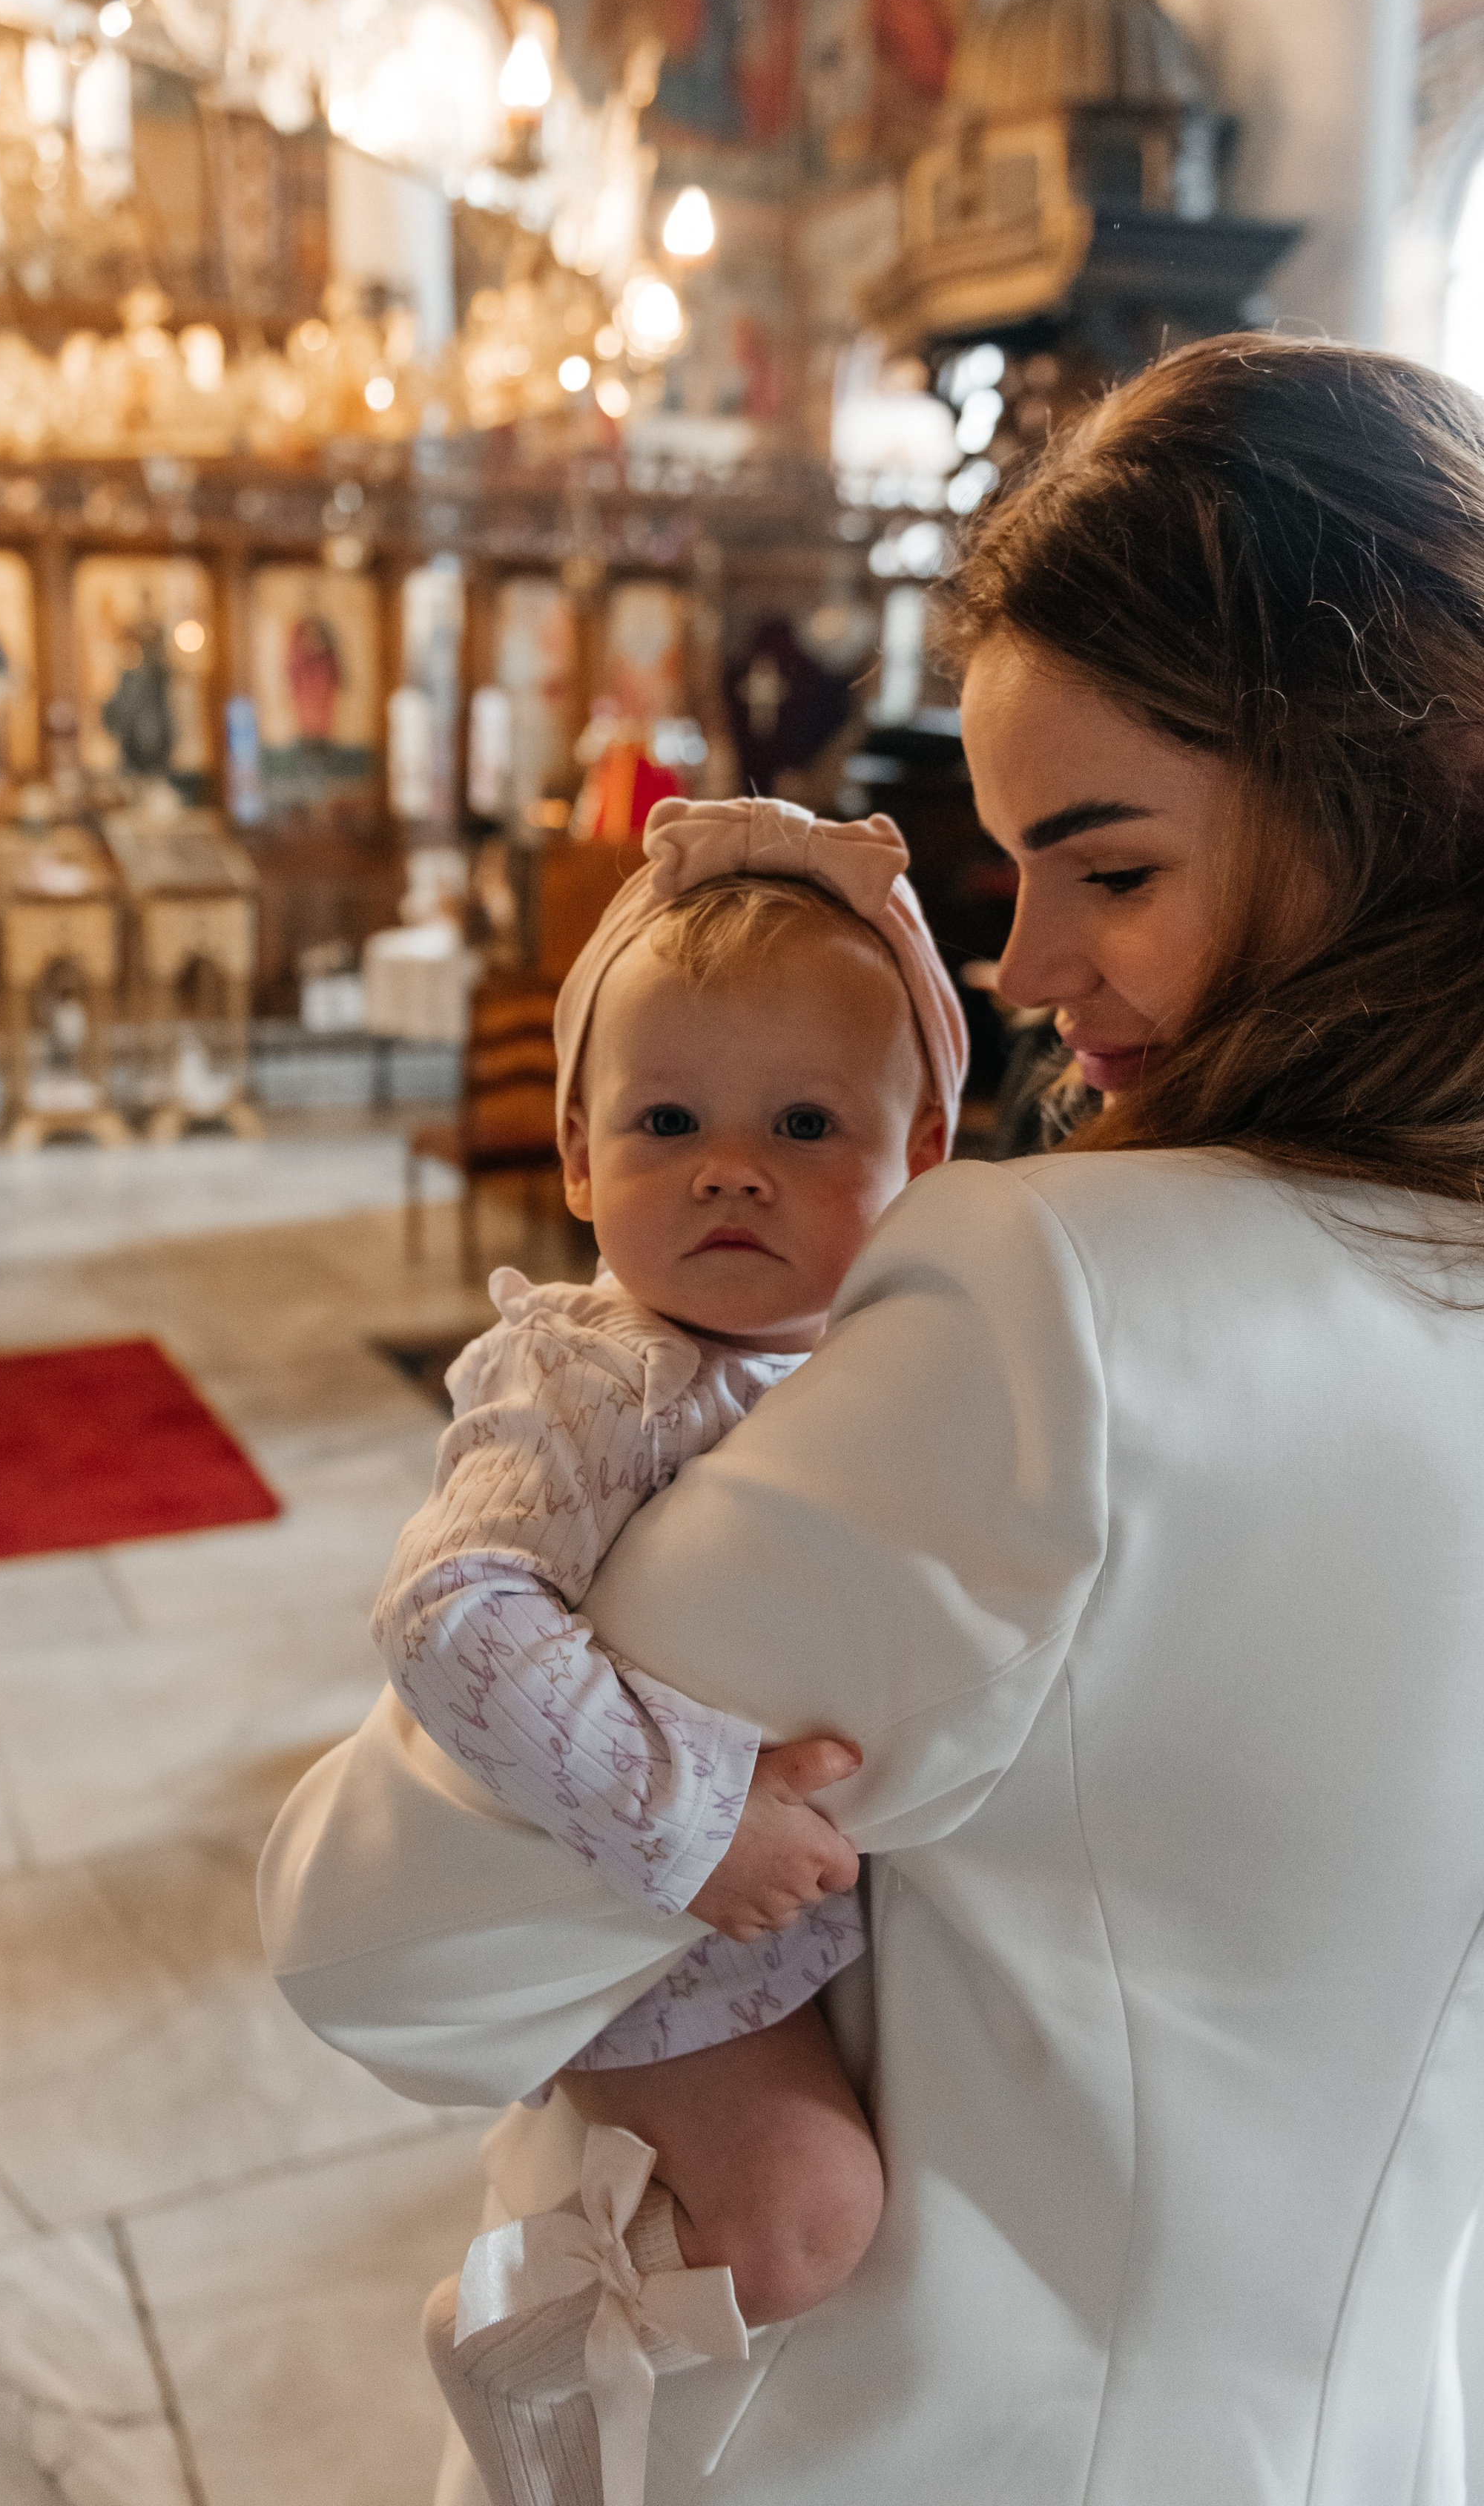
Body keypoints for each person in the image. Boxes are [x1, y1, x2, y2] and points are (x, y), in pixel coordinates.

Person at [260, 335, 1484, 2503]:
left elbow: (382, 1925)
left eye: (1110, 869)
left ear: (1376, 796)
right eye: (1014, 874)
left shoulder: (1066, 1312)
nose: (1025, 969)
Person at [371, 797, 967, 2504]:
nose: (728, 1165)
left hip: (826, 1901)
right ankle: (533, 2351)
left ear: (916, 1155)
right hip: (656, 1923)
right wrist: (692, 1819)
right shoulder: (586, 1378)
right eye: (664, 1119)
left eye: (799, 1121)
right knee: (803, 2218)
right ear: (572, 1157)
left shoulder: (874, 1360)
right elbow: (448, 1613)